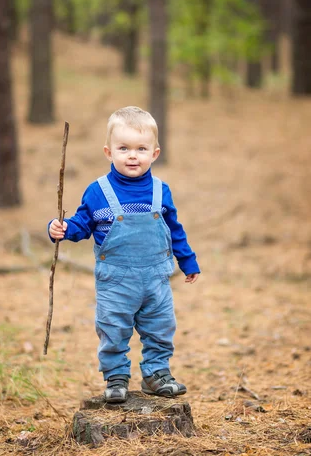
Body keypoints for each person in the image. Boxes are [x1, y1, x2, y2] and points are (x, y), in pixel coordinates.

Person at [48, 106, 200, 403]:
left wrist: (187, 261)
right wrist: (62, 228)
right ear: (109, 152)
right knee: (113, 328)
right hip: (116, 281)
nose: (133, 155)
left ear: (154, 153)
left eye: (141, 148)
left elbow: (174, 230)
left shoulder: (160, 190)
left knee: (160, 328)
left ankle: (157, 374)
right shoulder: (98, 191)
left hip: (156, 279)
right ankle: (115, 376)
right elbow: (82, 225)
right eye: (124, 148)